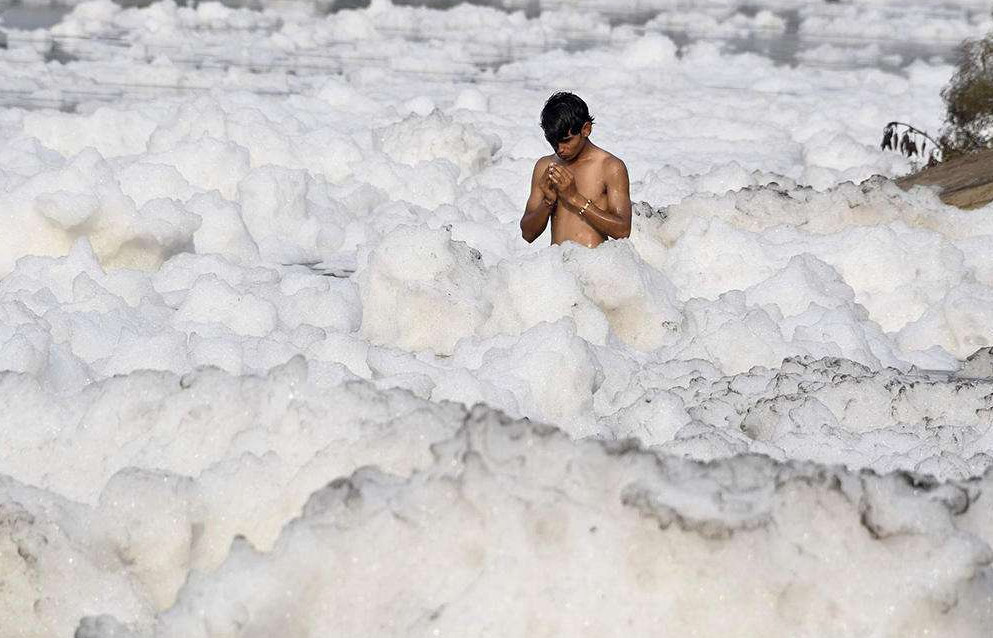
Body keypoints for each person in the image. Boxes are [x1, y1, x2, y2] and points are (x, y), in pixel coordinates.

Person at [520, 92, 632, 247]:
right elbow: (527, 234)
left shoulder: (610, 167)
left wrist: (574, 198)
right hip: (557, 266)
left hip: (595, 266)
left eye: (566, 141)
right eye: (553, 142)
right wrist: (547, 202)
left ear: (586, 129)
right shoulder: (545, 166)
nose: (560, 149)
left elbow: (623, 231)